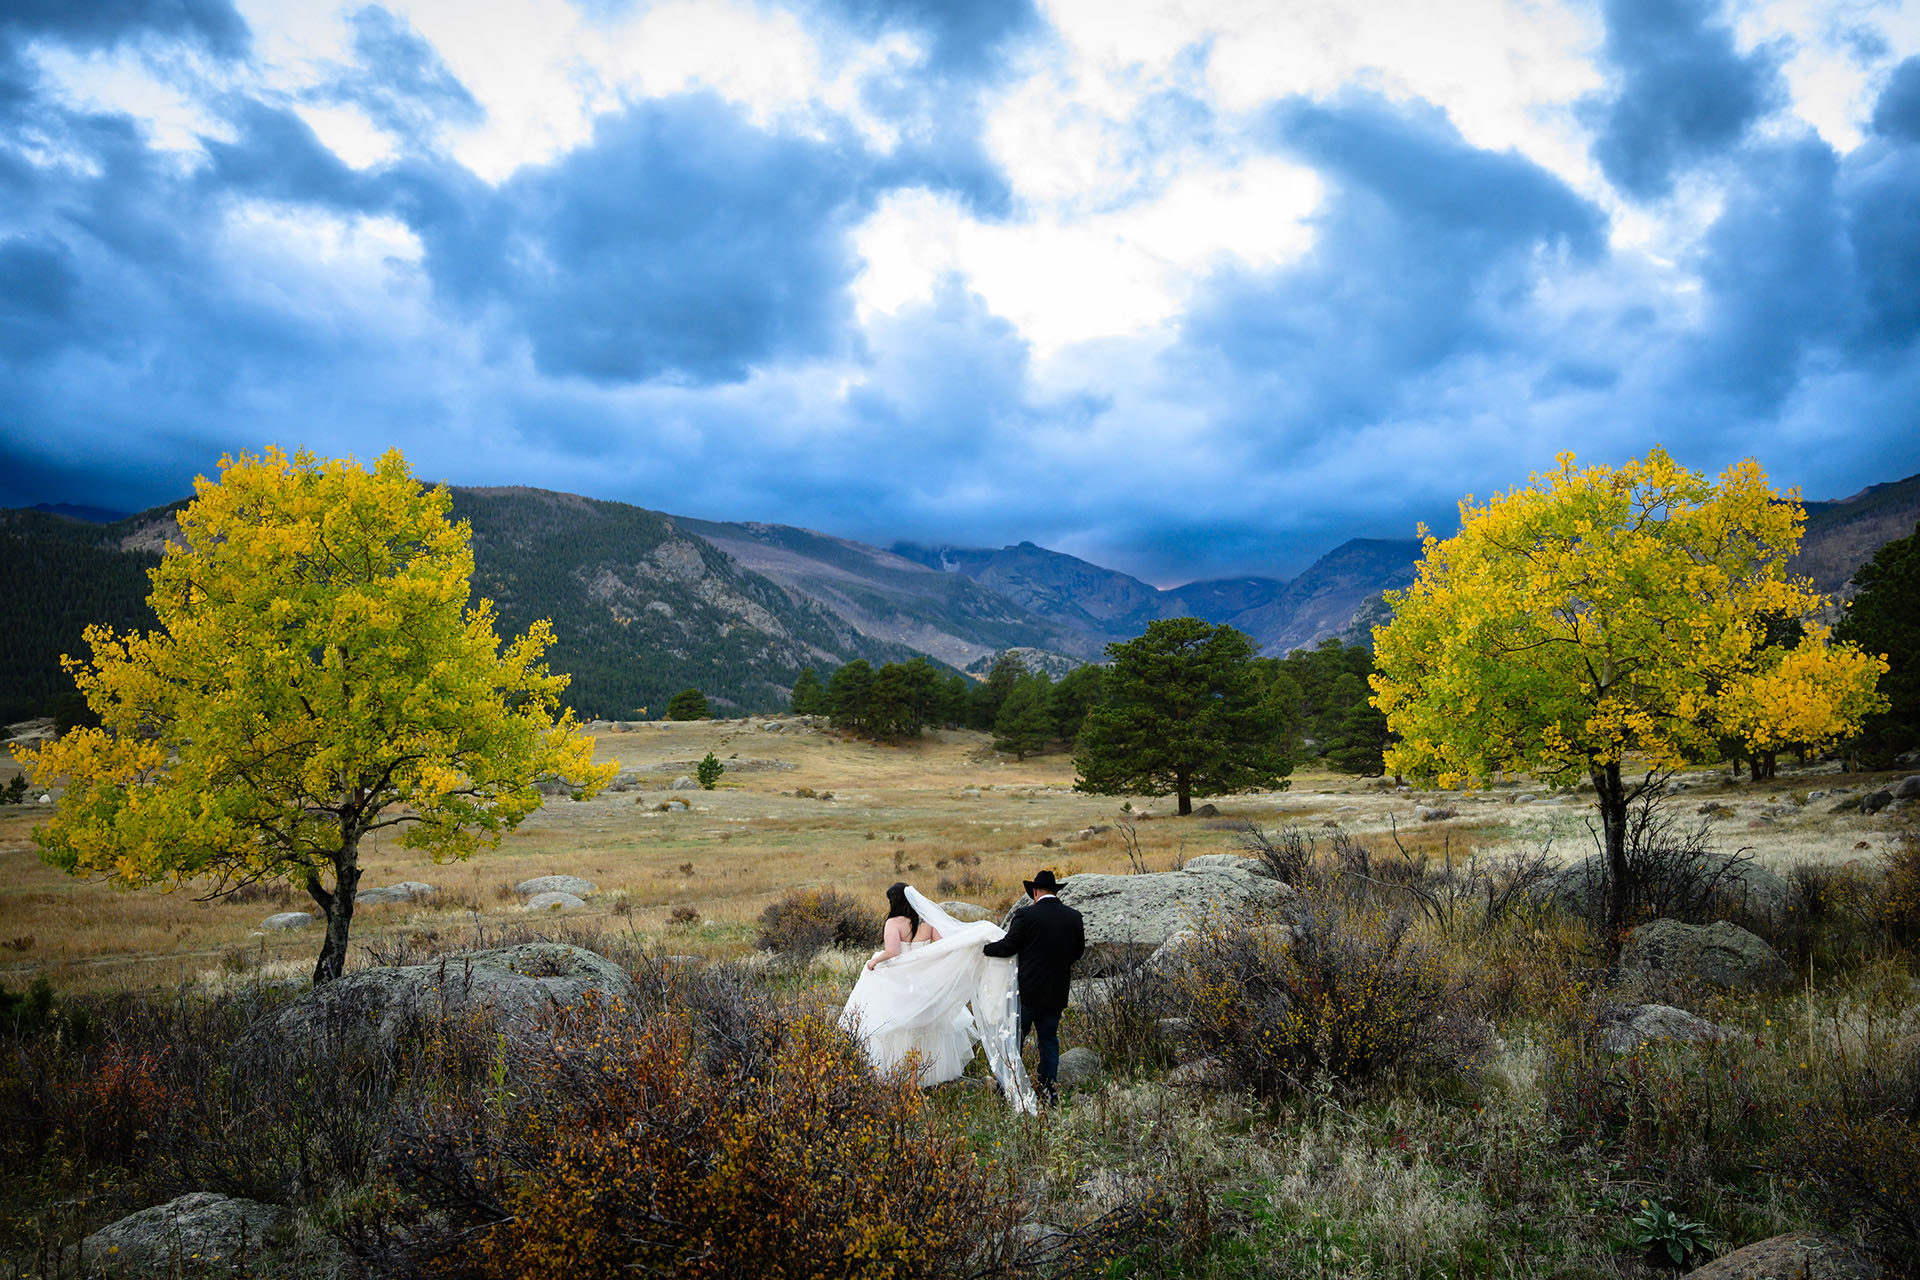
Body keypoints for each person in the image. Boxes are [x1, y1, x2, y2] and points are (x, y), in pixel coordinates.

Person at [840, 883, 1037, 1113]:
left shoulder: (893, 923)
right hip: (924, 984)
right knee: (929, 1021)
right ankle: (933, 1072)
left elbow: (893, 952)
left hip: (901, 982)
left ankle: (901, 1072)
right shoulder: (927, 923)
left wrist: (874, 961)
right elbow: (945, 947)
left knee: (898, 1023)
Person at [982, 869, 1085, 1104]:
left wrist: (985, 950)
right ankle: (1049, 1090)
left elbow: (1008, 946)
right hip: (1057, 990)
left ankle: (1007, 1086)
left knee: (1015, 1038)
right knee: (1048, 1039)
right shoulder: (1073, 916)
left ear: (1035, 892)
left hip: (1027, 992)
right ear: (1054, 891)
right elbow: (1077, 952)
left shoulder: (1025, 915)